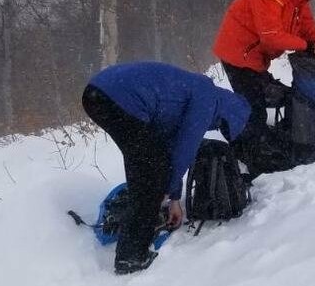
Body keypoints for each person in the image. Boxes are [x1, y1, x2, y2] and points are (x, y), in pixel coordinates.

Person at [82, 61, 250, 274]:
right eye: (222, 125)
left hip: (99, 93)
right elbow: (185, 149)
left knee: (147, 163)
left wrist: (173, 199)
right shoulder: (207, 99)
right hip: (119, 98)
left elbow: (168, 148)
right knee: (151, 173)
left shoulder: (193, 92)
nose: (216, 127)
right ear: (229, 113)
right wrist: (165, 191)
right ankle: (131, 257)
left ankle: (136, 217)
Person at [212, 0, 315, 155]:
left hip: (255, 59)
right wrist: (305, 45)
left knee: (278, 97)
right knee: (254, 109)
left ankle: (266, 139)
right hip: (238, 55)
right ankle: (250, 154)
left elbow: (308, 27)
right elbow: (271, 37)